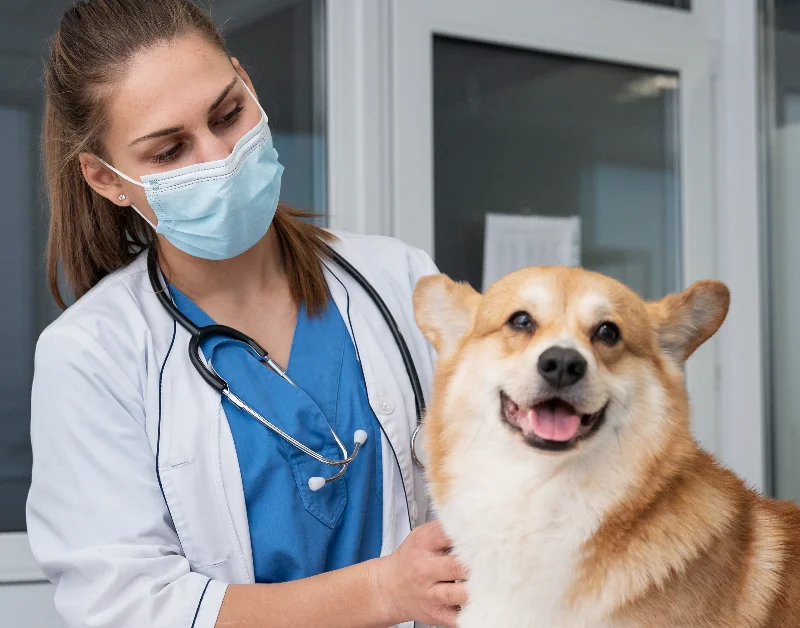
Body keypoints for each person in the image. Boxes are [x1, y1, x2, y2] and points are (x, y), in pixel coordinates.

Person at [26, 1, 467, 627]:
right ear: (105, 178)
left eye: (228, 114)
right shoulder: (95, 353)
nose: (219, 156)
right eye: (169, 151)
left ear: (248, 84)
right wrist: (383, 592)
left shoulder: (400, 281)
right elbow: (126, 608)